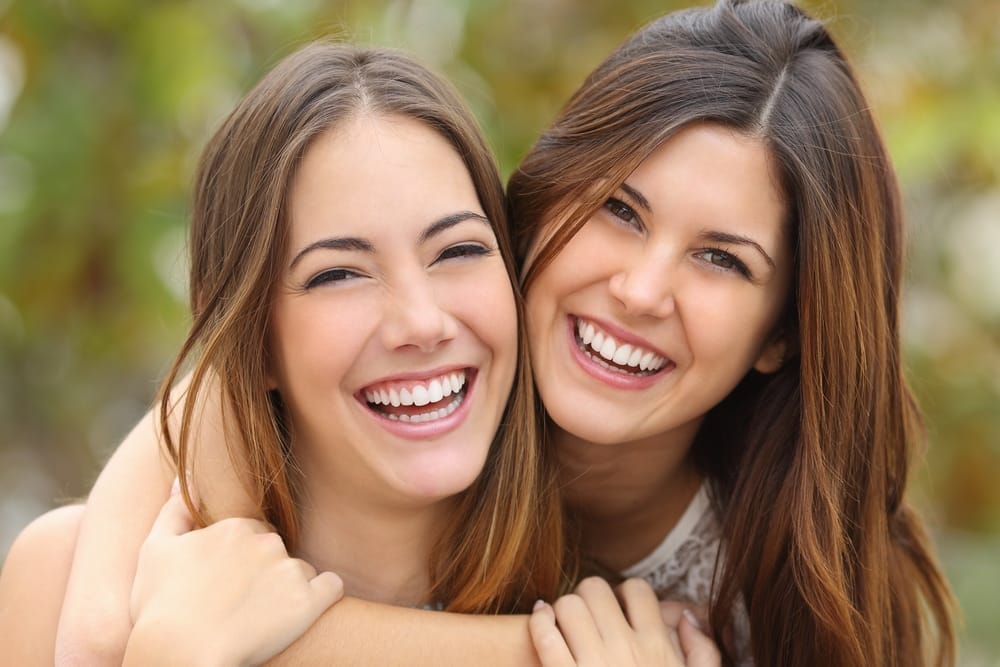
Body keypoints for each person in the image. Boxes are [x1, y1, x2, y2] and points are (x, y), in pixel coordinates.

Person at [2, 0, 956, 665]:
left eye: (722, 259)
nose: (639, 287)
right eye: (621, 210)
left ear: (781, 332)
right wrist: (111, 624)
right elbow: (214, 387)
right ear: (534, 211)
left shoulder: (757, 592)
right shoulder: (445, 373)